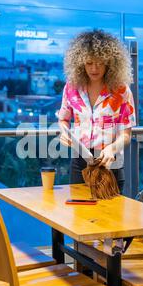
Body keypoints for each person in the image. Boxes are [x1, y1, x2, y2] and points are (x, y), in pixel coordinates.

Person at [58, 29, 136, 192]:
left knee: (111, 214)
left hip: (109, 162)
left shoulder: (122, 91)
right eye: (89, 63)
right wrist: (64, 132)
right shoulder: (72, 87)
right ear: (80, 63)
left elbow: (126, 134)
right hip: (80, 162)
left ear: (110, 62)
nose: (94, 68)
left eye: (100, 62)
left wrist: (112, 148)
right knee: (78, 215)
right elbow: (63, 119)